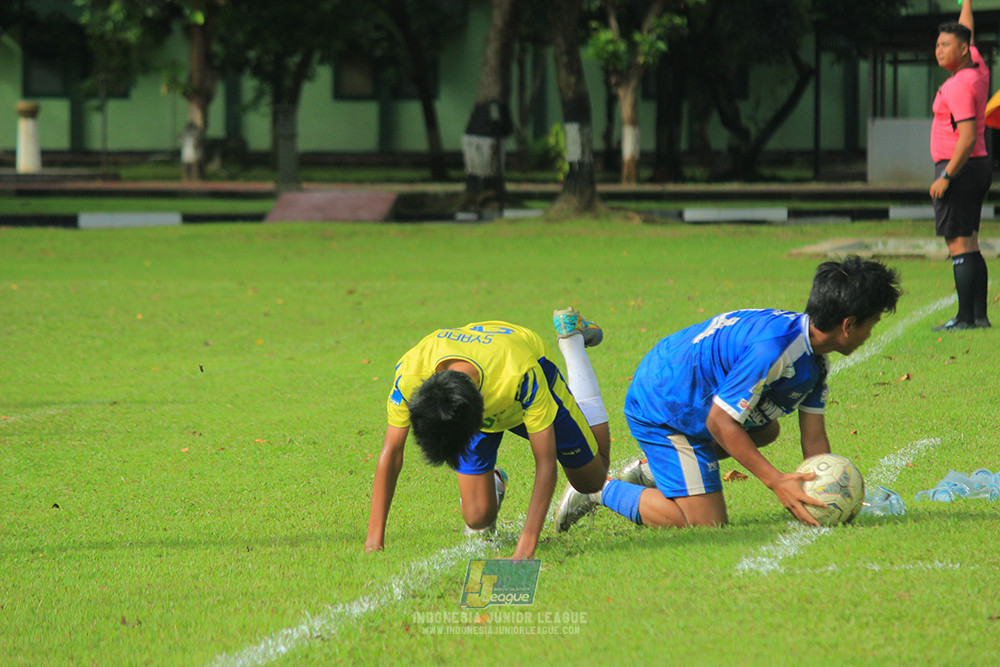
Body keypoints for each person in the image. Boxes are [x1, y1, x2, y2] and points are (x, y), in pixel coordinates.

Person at [555, 256, 901, 532]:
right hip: (663, 404)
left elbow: (814, 440)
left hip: (691, 395)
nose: (870, 333)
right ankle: (601, 489)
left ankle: (653, 470)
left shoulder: (813, 356)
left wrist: (828, 487)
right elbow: (721, 422)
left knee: (766, 429)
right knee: (705, 523)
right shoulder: (774, 349)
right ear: (848, 325)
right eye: (871, 324)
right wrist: (776, 481)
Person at [365, 308, 610, 559]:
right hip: (480, 378)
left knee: (591, 482)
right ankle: (492, 481)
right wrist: (374, 539)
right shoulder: (410, 374)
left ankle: (573, 342)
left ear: (481, 406)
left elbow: (545, 462)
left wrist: (525, 547)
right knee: (478, 517)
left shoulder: (521, 372)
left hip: (520, 374)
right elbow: (392, 450)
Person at [929, 0, 992, 331]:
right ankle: (979, 316)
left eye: (945, 45)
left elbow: (965, 137)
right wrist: (966, 2)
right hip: (978, 166)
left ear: (963, 49)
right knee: (971, 241)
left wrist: (946, 176)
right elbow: (967, 28)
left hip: (959, 167)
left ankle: (965, 318)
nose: (938, 50)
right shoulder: (977, 68)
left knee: (959, 244)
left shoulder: (958, 86)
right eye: (937, 44)